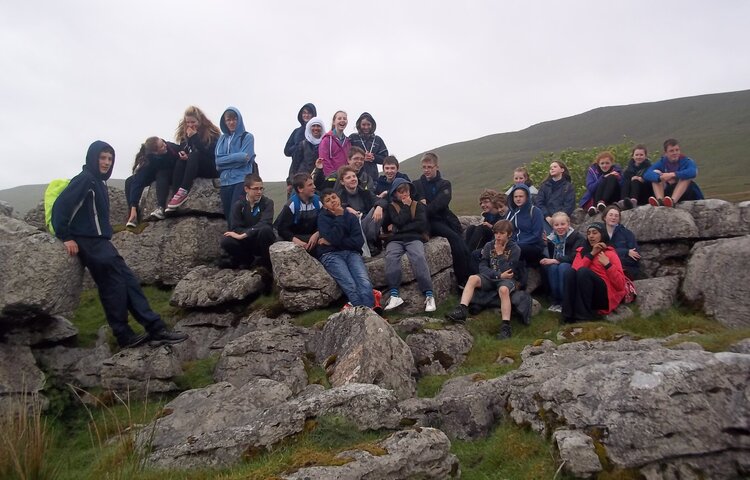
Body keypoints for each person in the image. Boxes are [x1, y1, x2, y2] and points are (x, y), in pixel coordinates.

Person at [52, 141, 188, 349]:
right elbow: (60, 207)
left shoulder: (97, 181)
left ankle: (155, 328)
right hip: (88, 241)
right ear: (93, 158)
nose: (106, 163)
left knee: (129, 281)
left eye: (110, 159)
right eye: (102, 158)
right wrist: (66, 236)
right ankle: (124, 334)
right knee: (113, 285)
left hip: (100, 241)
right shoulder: (85, 180)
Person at [446, 220, 521, 339]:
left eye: (501, 233)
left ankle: (506, 326)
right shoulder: (489, 245)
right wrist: (497, 275)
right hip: (492, 277)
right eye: (496, 233)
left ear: (509, 234)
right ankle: (462, 309)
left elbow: (508, 270)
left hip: (507, 280)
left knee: (504, 290)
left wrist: (500, 254)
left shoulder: (515, 249)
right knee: (472, 278)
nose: (498, 236)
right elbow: (482, 267)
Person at [413, 152, 472, 287]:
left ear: (436, 167)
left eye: (430, 167)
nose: (426, 170)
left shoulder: (444, 184)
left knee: (463, 244)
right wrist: (424, 206)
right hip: (429, 222)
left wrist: (424, 205)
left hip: (445, 218)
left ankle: (472, 277)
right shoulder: (417, 184)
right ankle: (463, 281)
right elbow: (417, 206)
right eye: (424, 167)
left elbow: (441, 203)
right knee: (455, 240)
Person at [382, 178, 436, 313]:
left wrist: (398, 228)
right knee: (391, 257)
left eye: (406, 191)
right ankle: (394, 295)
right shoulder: (391, 207)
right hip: (395, 240)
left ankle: (429, 295)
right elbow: (398, 221)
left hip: (414, 238)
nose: (404, 194)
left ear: (410, 191)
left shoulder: (419, 206)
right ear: (394, 194)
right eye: (400, 192)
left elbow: (421, 224)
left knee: (418, 256)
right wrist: (405, 209)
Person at [317, 188, 376, 308]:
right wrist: (339, 217)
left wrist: (332, 242)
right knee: (350, 285)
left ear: (339, 198)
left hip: (352, 253)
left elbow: (358, 242)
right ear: (324, 206)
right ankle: (362, 316)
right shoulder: (322, 218)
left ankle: (370, 314)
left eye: (334, 197)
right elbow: (335, 238)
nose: (332, 201)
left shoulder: (351, 217)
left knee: (364, 282)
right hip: (331, 255)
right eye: (328, 200)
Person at [562, 222, 626, 323]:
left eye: (595, 233)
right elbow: (575, 272)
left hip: (604, 297)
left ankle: (583, 317)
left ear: (602, 235)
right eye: (589, 233)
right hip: (584, 293)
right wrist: (591, 254)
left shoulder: (610, 254)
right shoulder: (582, 252)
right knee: (570, 272)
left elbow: (621, 285)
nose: (591, 236)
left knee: (584, 272)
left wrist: (608, 265)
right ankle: (568, 316)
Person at [167, 106, 220, 211]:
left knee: (195, 155)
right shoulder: (185, 133)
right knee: (180, 162)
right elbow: (186, 148)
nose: (190, 125)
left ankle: (183, 191)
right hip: (195, 166)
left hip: (211, 166)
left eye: (193, 122)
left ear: (200, 121)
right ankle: (175, 195)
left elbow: (209, 153)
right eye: (188, 122)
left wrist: (195, 137)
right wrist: (184, 154)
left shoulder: (212, 133)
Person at [219, 175, 275, 270]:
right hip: (246, 240)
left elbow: (265, 222)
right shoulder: (239, 205)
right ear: (246, 189)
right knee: (226, 240)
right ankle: (246, 261)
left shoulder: (267, 203)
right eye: (256, 189)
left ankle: (266, 264)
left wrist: (246, 233)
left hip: (260, 239)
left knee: (266, 230)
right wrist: (246, 234)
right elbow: (235, 228)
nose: (259, 192)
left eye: (261, 188)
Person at [124, 137, 179, 226]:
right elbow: (138, 180)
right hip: (155, 173)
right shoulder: (149, 159)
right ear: (155, 153)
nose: (165, 146)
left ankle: (161, 207)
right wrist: (133, 205)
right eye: (161, 146)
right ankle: (133, 214)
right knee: (130, 181)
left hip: (172, 173)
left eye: (163, 142)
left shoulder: (171, 148)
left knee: (161, 174)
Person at [215, 107, 255, 226]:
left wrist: (226, 159)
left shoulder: (247, 137)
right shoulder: (221, 139)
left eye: (234, 119)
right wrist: (237, 157)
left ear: (239, 120)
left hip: (240, 180)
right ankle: (232, 240)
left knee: (236, 214)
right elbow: (217, 161)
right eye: (228, 120)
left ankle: (238, 241)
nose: (232, 122)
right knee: (228, 216)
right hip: (225, 182)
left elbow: (245, 158)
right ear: (225, 121)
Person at [539, 212, 585, 312]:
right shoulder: (551, 238)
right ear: (553, 226)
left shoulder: (578, 237)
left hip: (572, 265)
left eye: (563, 224)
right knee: (552, 267)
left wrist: (555, 260)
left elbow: (574, 256)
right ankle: (556, 300)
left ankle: (565, 301)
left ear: (568, 224)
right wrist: (545, 245)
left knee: (562, 267)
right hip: (556, 264)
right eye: (556, 225)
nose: (560, 227)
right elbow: (550, 255)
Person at [334, 165, 384, 253]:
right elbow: (334, 211)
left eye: (354, 176)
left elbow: (381, 201)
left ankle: (370, 242)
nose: (353, 179)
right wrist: (346, 209)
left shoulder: (366, 193)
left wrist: (379, 207)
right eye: (348, 177)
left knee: (378, 209)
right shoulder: (339, 196)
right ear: (342, 182)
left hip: (367, 223)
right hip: (353, 228)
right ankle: (366, 245)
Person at [645, 138, 704, 207]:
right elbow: (647, 174)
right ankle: (660, 201)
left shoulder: (686, 161)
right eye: (671, 151)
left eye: (677, 150)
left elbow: (693, 172)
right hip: (669, 192)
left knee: (686, 177)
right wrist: (660, 177)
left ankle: (673, 201)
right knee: (655, 173)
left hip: (686, 193)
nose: (675, 153)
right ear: (666, 153)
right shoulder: (662, 162)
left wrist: (673, 175)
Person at [275, 173, 321, 255]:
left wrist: (317, 233)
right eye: (310, 185)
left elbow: (325, 222)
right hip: (296, 237)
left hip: (313, 237)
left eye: (313, 184)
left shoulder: (319, 202)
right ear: (300, 189)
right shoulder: (291, 205)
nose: (314, 187)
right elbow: (282, 229)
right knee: (279, 242)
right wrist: (296, 241)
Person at [505, 183, 545, 267]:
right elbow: (506, 230)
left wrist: (516, 244)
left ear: (527, 197)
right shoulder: (511, 212)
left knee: (515, 249)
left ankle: (512, 273)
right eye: (515, 197)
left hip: (533, 246)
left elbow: (537, 235)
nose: (518, 199)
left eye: (521, 196)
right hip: (515, 244)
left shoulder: (535, 211)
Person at [534, 160, 576, 234]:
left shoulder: (568, 186)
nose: (552, 169)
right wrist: (547, 217)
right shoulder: (544, 186)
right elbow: (539, 202)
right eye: (551, 168)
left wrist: (558, 218)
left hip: (562, 220)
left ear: (562, 170)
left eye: (555, 167)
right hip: (546, 219)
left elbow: (569, 204)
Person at [602, 205, 641, 280]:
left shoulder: (627, 233)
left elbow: (636, 256)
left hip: (625, 269)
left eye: (616, 216)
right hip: (604, 268)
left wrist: (612, 259)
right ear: (604, 217)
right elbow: (598, 253)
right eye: (611, 215)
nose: (613, 218)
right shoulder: (598, 233)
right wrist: (626, 252)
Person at [287, 116, 325, 194]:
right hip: (302, 182)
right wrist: (290, 182)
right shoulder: (302, 144)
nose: (316, 128)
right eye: (313, 126)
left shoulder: (325, 144)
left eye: (318, 126)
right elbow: (294, 165)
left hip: (318, 182)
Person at [348, 112, 389, 182]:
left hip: (373, 178)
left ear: (372, 125)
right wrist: (362, 158)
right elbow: (346, 154)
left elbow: (385, 159)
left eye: (368, 124)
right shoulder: (353, 138)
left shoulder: (377, 140)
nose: (366, 127)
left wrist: (374, 157)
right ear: (359, 125)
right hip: (355, 176)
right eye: (363, 125)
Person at [580, 151, 623, 216]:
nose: (604, 165)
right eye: (602, 163)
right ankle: (597, 206)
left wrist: (618, 178)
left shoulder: (617, 171)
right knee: (604, 179)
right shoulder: (593, 171)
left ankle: (601, 203)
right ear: (598, 164)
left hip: (613, 197)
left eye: (607, 163)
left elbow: (623, 187)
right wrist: (603, 178)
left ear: (612, 163)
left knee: (612, 177)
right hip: (596, 196)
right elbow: (591, 188)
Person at [284, 103, 317, 182]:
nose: (306, 115)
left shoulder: (317, 131)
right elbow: (287, 151)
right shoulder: (296, 131)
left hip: (313, 168)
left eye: (309, 113)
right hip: (297, 167)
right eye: (304, 113)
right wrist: (299, 146)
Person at [618, 144, 652, 210]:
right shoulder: (628, 169)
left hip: (644, 194)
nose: (639, 157)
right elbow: (622, 184)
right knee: (627, 181)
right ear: (633, 156)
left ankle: (633, 201)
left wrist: (642, 180)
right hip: (629, 195)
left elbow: (652, 183)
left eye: (641, 155)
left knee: (635, 180)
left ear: (645, 156)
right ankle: (623, 201)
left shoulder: (649, 168)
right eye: (636, 155)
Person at [319, 110, 351, 176]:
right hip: (331, 178)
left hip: (345, 178)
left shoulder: (348, 142)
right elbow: (324, 160)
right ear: (334, 122)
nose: (342, 120)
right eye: (339, 118)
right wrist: (332, 175)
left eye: (344, 119)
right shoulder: (326, 140)